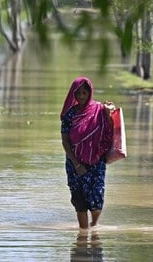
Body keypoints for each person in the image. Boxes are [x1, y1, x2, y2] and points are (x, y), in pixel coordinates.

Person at [60, 76, 115, 229]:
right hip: (74, 163)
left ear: (89, 93)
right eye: (78, 93)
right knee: (79, 199)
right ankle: (83, 234)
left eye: (84, 93)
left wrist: (108, 113)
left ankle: (94, 226)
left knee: (96, 196)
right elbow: (65, 141)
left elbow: (109, 130)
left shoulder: (99, 110)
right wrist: (77, 165)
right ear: (73, 95)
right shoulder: (69, 115)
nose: (81, 96)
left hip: (96, 161)